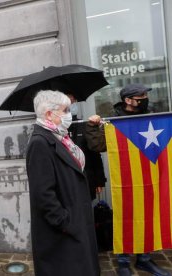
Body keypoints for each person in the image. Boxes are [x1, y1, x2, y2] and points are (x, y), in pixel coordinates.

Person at [87, 83, 170, 276]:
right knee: (125, 216)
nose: (144, 99)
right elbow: (97, 146)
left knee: (148, 216)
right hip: (125, 179)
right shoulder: (114, 121)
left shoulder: (151, 117)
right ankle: (123, 261)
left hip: (150, 178)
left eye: (144, 96)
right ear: (128, 100)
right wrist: (92, 127)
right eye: (140, 96)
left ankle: (144, 259)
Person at [26, 90, 100, 276]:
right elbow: (43, 193)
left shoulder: (60, 136)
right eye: (65, 110)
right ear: (50, 114)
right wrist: (66, 222)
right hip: (62, 231)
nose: (70, 114)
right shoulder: (40, 142)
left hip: (76, 219)